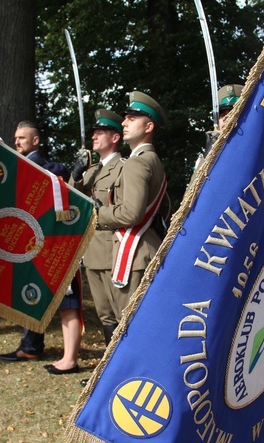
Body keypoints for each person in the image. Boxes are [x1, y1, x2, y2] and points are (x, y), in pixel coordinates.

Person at [0, 120, 81, 362]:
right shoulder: (20, 166)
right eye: (15, 139)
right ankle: (30, 344)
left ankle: (42, 349)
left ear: (35, 140)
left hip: (48, 244)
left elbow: (57, 174)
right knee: (30, 296)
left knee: (61, 300)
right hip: (26, 243)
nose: (17, 142)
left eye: (21, 138)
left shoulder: (46, 168)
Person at [95, 91, 168, 330]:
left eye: (132, 118)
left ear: (148, 126)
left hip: (134, 252)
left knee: (129, 326)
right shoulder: (150, 158)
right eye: (125, 118)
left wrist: (99, 214)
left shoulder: (138, 161)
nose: (124, 122)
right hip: (142, 247)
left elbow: (132, 214)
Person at [72, 109, 126, 346]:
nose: (94, 136)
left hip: (112, 249)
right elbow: (70, 200)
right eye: (93, 132)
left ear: (115, 137)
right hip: (92, 250)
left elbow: (125, 208)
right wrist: (75, 174)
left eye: (100, 132)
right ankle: (107, 373)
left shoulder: (124, 167)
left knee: (120, 312)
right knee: (104, 314)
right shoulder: (92, 171)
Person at [192, 84, 243, 181]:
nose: (225, 118)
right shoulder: (201, 161)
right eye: (222, 114)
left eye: (232, 112)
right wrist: (209, 158)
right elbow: (193, 193)